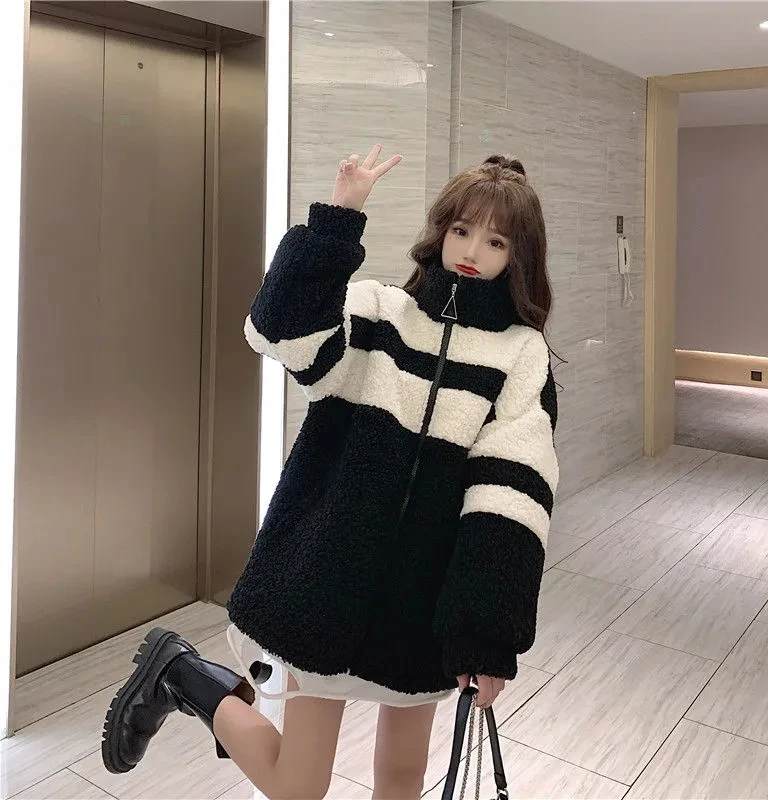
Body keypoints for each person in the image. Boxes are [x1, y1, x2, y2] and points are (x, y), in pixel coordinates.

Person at [101, 144, 558, 800]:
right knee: (299, 785)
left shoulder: (520, 356)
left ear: (519, 255)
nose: (472, 251)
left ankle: (182, 673)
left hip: (422, 603)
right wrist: (338, 220)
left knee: (403, 778)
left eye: (495, 241)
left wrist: (484, 636)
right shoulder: (379, 312)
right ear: (440, 231)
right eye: (462, 230)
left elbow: (509, 498)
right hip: (326, 582)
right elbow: (276, 331)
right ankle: (184, 676)